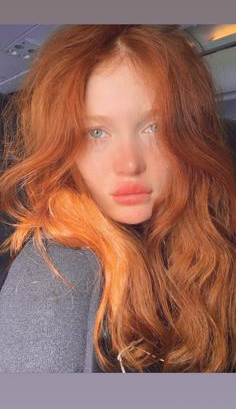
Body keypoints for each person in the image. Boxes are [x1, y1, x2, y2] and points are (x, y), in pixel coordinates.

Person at [0, 25, 235, 373]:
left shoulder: (221, 227)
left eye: (152, 127)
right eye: (96, 132)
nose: (129, 164)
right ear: (63, 148)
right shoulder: (56, 282)